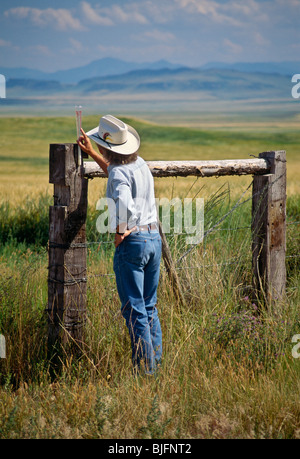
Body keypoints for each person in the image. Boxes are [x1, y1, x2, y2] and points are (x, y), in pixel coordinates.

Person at [77, 115, 162, 376]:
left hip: (133, 243)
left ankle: (145, 373)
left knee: (134, 309)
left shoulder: (118, 173)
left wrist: (119, 231)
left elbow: (123, 200)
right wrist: (92, 154)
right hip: (153, 239)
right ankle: (155, 367)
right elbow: (117, 175)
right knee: (149, 307)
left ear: (106, 146)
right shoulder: (139, 164)